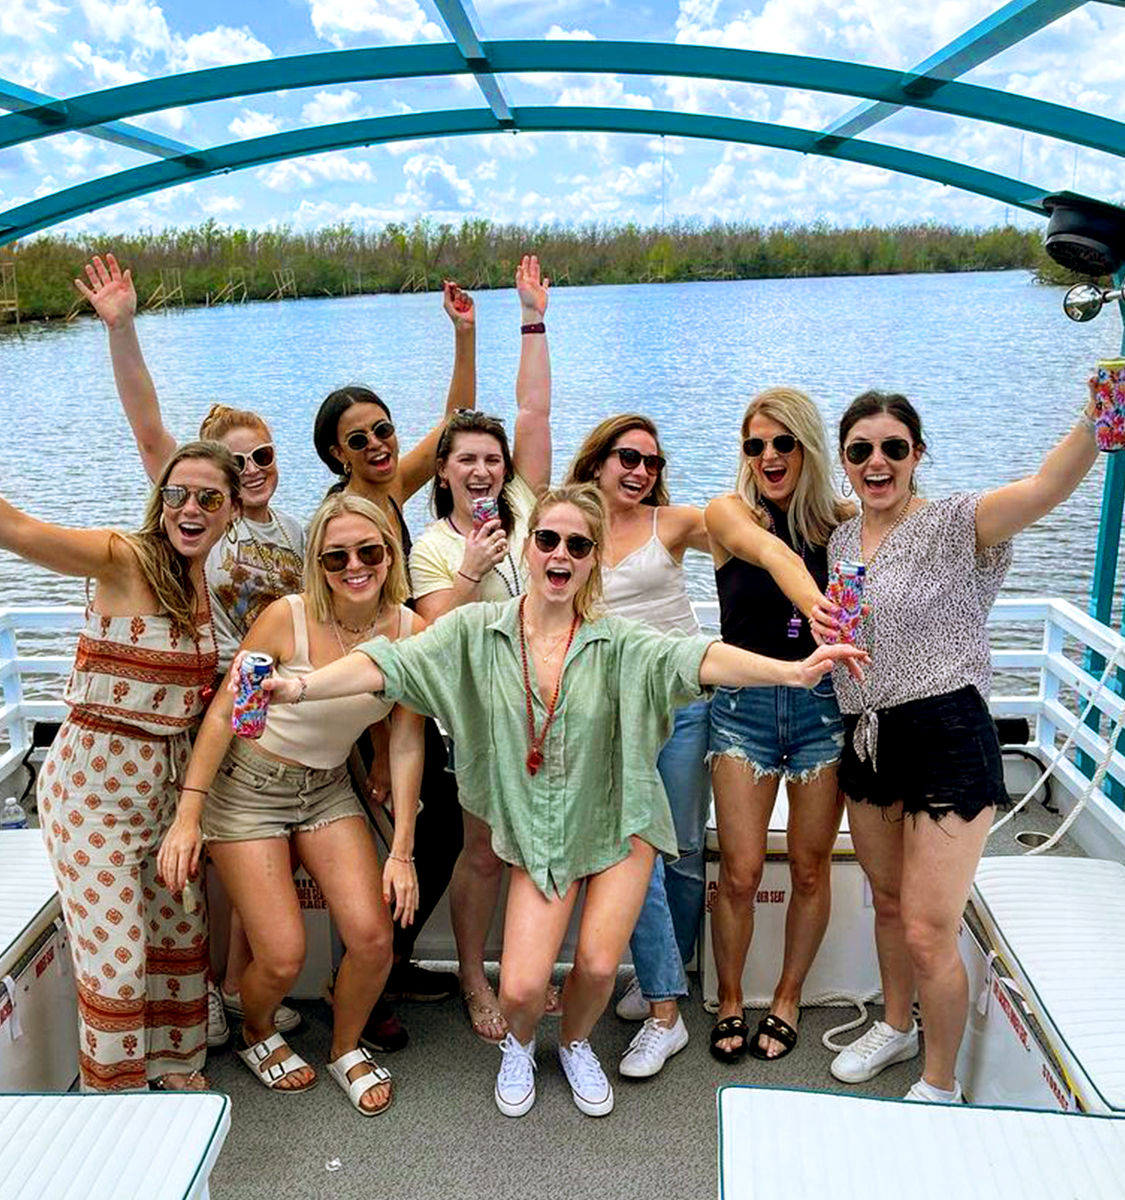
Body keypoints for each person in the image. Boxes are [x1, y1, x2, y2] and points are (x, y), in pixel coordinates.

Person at [261, 483, 865, 1118]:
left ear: (592, 560)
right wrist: (299, 689)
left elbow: (700, 657)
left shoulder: (620, 640)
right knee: (520, 987)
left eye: (579, 545)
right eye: (548, 538)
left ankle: (576, 1042)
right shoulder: (476, 629)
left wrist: (794, 671)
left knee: (601, 967)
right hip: (540, 827)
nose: (561, 553)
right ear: (528, 547)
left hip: (619, 817)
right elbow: (386, 664)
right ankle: (521, 1045)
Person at [813, 385, 1100, 1104]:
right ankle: (895, 1026)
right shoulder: (841, 538)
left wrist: (1103, 406)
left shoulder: (955, 522)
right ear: (843, 462)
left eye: (891, 448)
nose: (875, 462)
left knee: (927, 926)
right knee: (884, 901)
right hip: (869, 734)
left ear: (916, 454)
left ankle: (938, 1084)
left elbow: (1046, 486)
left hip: (945, 729)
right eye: (859, 451)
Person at [75, 252, 304, 1046]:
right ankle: (208, 1003)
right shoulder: (184, 530)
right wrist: (124, 328)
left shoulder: (282, 532)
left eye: (260, 459)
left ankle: (233, 1005)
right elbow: (149, 430)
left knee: (230, 884)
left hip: (248, 715)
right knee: (199, 879)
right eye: (229, 464)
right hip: (187, 720)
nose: (247, 474)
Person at [157, 494, 424, 1115]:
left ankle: (344, 1047)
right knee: (280, 957)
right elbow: (228, 712)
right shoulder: (287, 618)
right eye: (336, 557)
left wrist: (403, 848)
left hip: (327, 788)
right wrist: (189, 814)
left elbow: (407, 736)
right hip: (248, 790)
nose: (354, 565)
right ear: (318, 563)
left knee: (373, 939)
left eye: (369, 551)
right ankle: (257, 1031)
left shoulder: (413, 632)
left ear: (390, 554)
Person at [1, 441, 242, 1092]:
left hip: (166, 797)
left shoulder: (206, 583)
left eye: (208, 498)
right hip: (90, 793)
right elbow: (17, 529)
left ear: (230, 511)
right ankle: (115, 1096)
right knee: (116, 962)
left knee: (177, 941)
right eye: (176, 495)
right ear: (160, 500)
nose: (189, 509)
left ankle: (173, 1068)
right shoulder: (122, 557)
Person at [310, 280, 477, 1037]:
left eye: (383, 430)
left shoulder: (388, 491)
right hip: (364, 711)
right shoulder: (343, 519)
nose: (379, 445)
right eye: (359, 439)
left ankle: (393, 962)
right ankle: (370, 984)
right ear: (333, 455)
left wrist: (463, 335)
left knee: (433, 831)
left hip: (400, 696)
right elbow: (356, 632)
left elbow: (453, 426)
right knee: (409, 836)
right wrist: (380, 746)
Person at [410, 255, 552, 1043]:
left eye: (490, 459)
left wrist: (530, 317)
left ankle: (525, 970)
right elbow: (433, 636)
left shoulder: (528, 504)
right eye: (466, 458)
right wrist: (472, 569)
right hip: (478, 723)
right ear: (443, 470)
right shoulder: (431, 546)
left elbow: (531, 412)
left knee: (539, 846)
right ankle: (472, 976)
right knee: (484, 855)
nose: (482, 467)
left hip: (554, 706)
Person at [704, 387, 853, 1064]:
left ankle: (788, 997)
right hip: (744, 709)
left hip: (823, 710)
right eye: (754, 444)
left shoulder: (842, 522)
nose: (767, 455)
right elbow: (773, 557)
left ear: (807, 447)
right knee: (737, 872)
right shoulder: (727, 513)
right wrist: (824, 613)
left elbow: (899, 529)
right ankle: (731, 999)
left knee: (809, 868)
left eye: (782, 442)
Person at [564, 414, 711, 1079]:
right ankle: (665, 1008)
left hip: (680, 708)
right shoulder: (569, 526)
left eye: (651, 462)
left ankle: (661, 978)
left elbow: (755, 532)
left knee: (678, 852)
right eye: (628, 457)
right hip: (610, 718)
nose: (640, 472)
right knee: (639, 853)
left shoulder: (671, 523)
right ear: (596, 460)